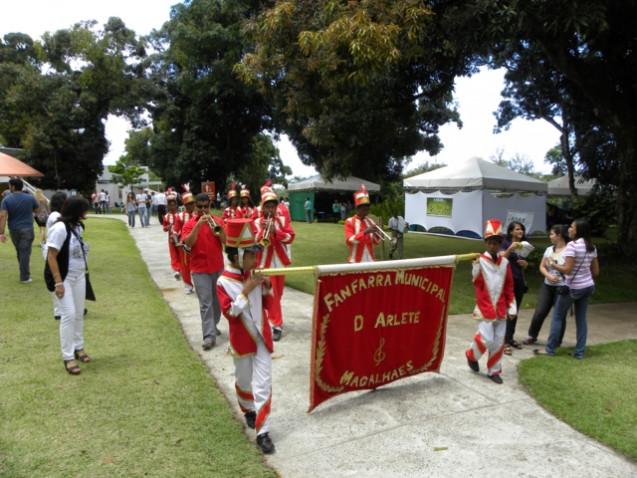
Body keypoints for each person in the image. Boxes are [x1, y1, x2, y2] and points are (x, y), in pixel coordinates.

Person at [216, 218, 276, 454]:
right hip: (241, 342)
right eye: (251, 255)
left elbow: (268, 304)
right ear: (236, 256)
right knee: (243, 380)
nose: (255, 259)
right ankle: (248, 409)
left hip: (263, 339)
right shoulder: (223, 282)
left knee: (263, 384)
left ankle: (263, 432)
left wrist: (268, 287)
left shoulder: (256, 273)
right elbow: (230, 312)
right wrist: (246, 291)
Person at [536, 218, 599, 359]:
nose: (569, 229)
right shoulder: (591, 246)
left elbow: (568, 270)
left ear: (578, 230)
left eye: (572, 227)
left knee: (557, 316)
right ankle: (579, 352)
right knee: (581, 319)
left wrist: (553, 264)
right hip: (588, 286)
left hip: (573, 288)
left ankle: (550, 349)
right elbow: (595, 272)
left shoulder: (572, 246)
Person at [465, 219, 517, 384]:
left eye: (496, 242)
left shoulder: (506, 263)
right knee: (485, 338)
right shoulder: (479, 261)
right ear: (486, 243)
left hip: (501, 308)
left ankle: (494, 371)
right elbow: (476, 282)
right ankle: (471, 355)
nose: (493, 246)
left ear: (501, 243)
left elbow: (509, 286)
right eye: (490, 242)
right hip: (485, 307)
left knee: (498, 341)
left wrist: (511, 305)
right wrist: (475, 268)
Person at [45, 196, 92, 375]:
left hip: (78, 275)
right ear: (76, 211)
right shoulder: (59, 228)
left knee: (79, 313)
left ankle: (78, 348)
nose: (86, 214)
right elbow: (51, 256)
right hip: (63, 277)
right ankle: (68, 356)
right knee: (69, 314)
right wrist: (58, 282)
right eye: (84, 210)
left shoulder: (76, 226)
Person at [182, 193, 226, 350]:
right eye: (199, 207)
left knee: (218, 302)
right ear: (195, 207)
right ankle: (208, 336)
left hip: (217, 267)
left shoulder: (218, 221)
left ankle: (213, 325)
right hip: (199, 269)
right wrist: (198, 225)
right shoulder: (189, 224)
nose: (202, 210)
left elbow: (226, 242)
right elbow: (188, 243)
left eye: (205, 207)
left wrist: (219, 231)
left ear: (209, 206)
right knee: (205, 304)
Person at [255, 186, 295, 341]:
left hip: (280, 262)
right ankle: (276, 324)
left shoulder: (283, 220)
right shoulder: (257, 222)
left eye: (273, 206)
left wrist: (275, 232)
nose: (270, 209)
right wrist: (263, 231)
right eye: (267, 206)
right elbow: (257, 243)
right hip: (265, 264)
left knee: (278, 293)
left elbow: (290, 237)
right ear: (262, 207)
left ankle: (271, 319)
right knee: (272, 293)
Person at [523, 224, 570, 345]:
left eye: (552, 234)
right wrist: (548, 275)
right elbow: (542, 266)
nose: (550, 236)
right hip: (547, 286)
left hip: (562, 287)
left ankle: (556, 341)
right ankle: (532, 336)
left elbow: (569, 269)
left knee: (559, 315)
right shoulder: (549, 249)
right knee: (540, 312)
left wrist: (555, 267)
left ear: (559, 235)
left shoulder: (569, 251)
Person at [0, 177, 40, 283]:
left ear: (13, 186)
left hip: (13, 230)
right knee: (24, 252)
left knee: (21, 252)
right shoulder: (30, 198)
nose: (8, 187)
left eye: (9, 185)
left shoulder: (6, 200)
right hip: (27, 228)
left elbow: (3, 216)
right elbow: (37, 210)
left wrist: (1, 233)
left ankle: (24, 273)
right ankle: (25, 277)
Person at [499, 221, 530, 354]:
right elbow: (500, 258)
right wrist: (511, 248)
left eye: (522, 229)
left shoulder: (523, 246)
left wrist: (525, 264)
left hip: (519, 281)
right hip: (507, 281)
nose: (520, 231)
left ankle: (510, 338)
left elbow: (523, 263)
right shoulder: (504, 243)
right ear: (511, 231)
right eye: (517, 229)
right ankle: (503, 341)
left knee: (515, 311)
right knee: (508, 311)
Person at [44, 191, 68, 321]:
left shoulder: (57, 214)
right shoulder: (56, 216)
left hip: (56, 250)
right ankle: (58, 310)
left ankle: (61, 309)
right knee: (53, 278)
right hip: (54, 250)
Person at [344, 185, 381, 263]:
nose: (366, 212)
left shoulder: (370, 221)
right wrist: (365, 232)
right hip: (355, 261)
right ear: (357, 209)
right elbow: (349, 240)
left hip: (371, 260)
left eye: (367, 210)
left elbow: (375, 242)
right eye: (364, 210)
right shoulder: (349, 221)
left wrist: (377, 233)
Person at [177, 192, 196, 294]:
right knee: (185, 265)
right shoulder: (180, 216)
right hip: (184, 245)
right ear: (185, 205)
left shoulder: (197, 215)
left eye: (192, 203)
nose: (192, 205)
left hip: (196, 244)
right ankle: (188, 285)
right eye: (189, 204)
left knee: (197, 264)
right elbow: (176, 231)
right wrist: (178, 240)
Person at [163, 193, 182, 280]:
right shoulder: (166, 216)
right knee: (173, 254)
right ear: (168, 206)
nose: (172, 207)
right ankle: (176, 269)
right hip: (171, 238)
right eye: (170, 205)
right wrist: (168, 227)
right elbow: (164, 228)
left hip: (180, 236)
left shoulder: (180, 215)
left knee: (181, 253)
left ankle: (182, 268)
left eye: (174, 205)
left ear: (176, 205)